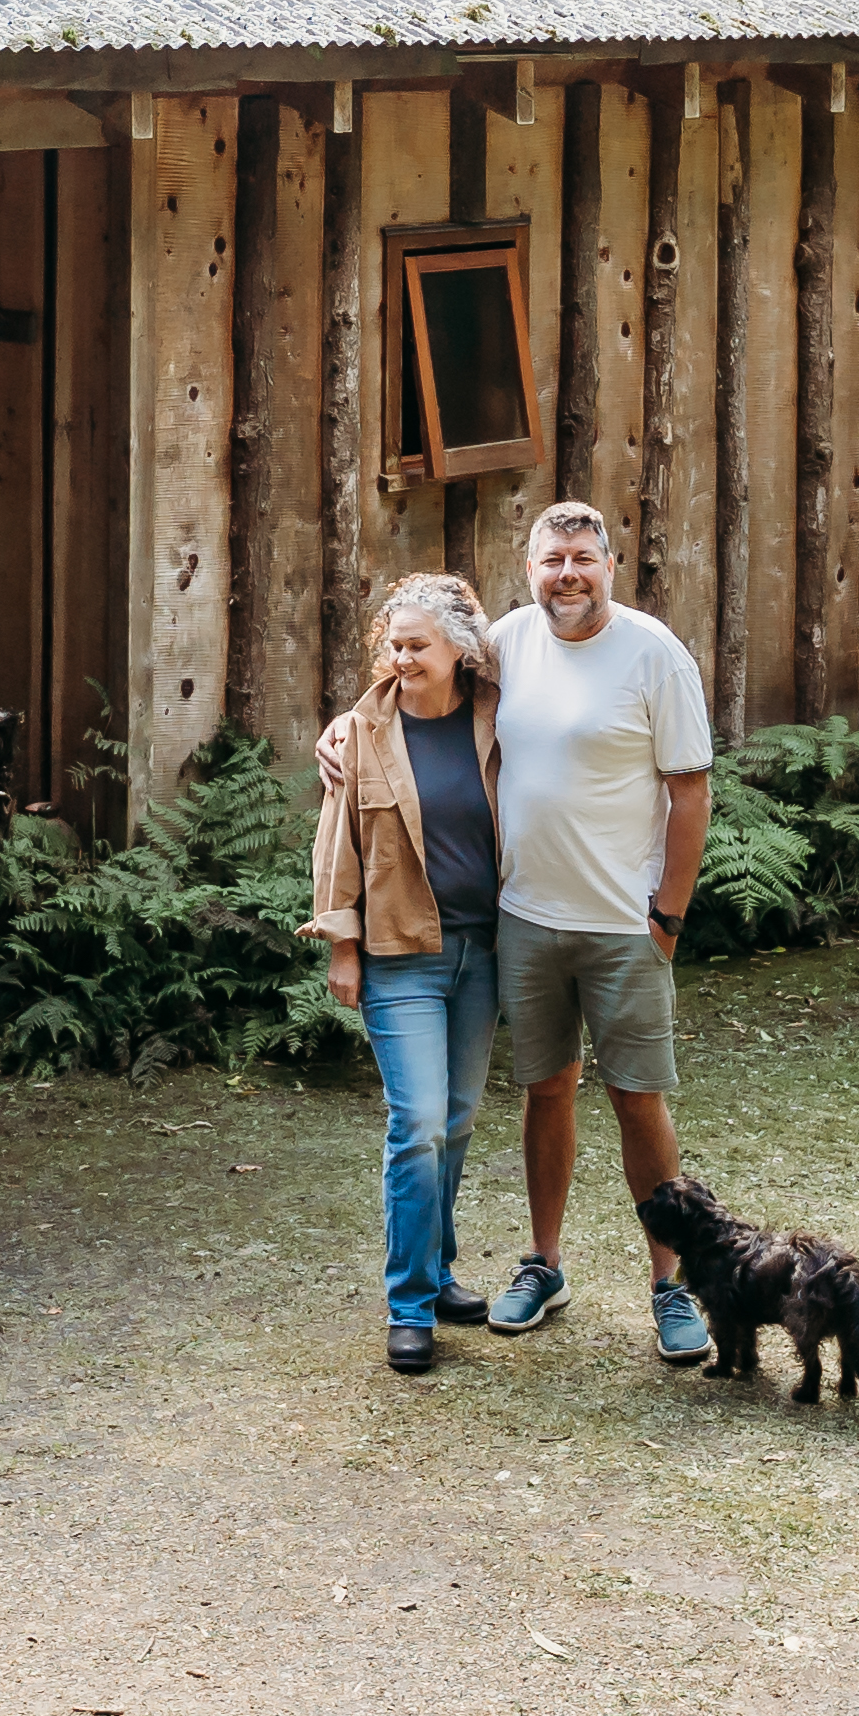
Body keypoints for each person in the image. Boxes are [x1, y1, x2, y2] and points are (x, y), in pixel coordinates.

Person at [322, 498, 715, 1367]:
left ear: (611, 564)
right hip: (524, 924)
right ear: (528, 568)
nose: (567, 574)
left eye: (583, 557)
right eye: (550, 560)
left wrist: (667, 916)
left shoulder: (654, 654)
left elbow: (691, 790)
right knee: (542, 1094)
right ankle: (543, 1265)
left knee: (637, 1101)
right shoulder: (505, 647)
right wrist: (342, 727)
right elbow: (410, 670)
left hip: (622, 925)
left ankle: (672, 1283)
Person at [305, 571, 506, 1377]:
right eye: (393, 644)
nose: (400, 656)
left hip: (484, 954)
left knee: (455, 1123)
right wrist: (341, 948)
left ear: (460, 649)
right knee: (417, 1123)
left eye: (417, 645)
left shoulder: (499, 718)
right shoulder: (361, 732)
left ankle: (439, 1270)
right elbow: (336, 850)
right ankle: (410, 1305)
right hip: (398, 958)